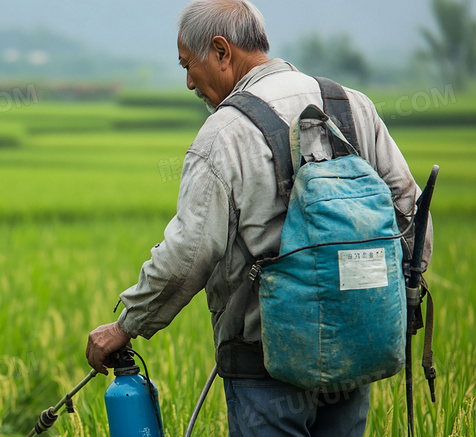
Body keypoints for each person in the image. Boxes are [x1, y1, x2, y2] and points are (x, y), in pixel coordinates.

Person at [85, 0, 433, 435]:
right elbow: (412, 212)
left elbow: (188, 253)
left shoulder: (224, 133)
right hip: (355, 352)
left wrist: (127, 323)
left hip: (265, 365)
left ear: (221, 51)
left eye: (189, 65)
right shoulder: (352, 106)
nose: (189, 81)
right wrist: (389, 296)